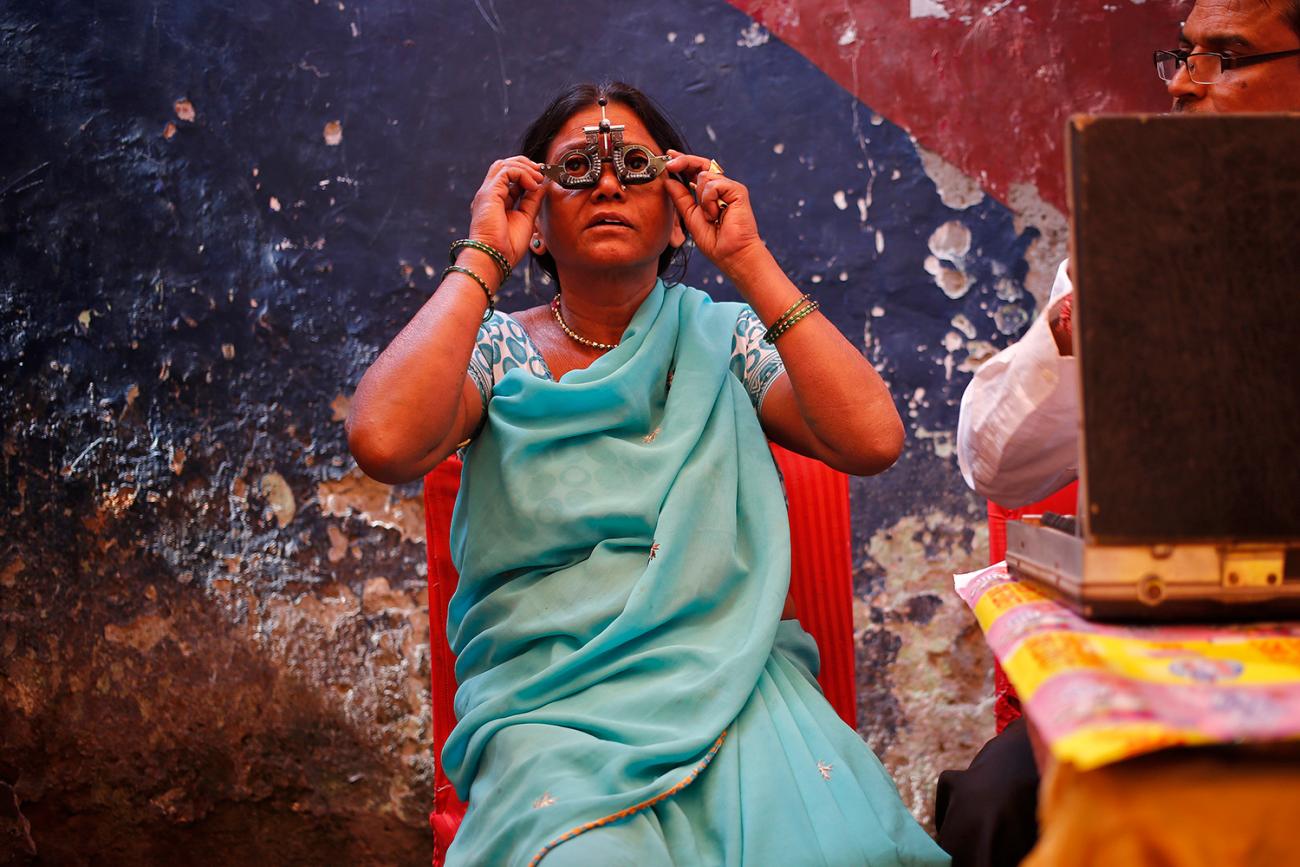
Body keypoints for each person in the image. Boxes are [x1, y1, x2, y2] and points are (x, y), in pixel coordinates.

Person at [347, 81, 949, 866]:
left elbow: (872, 439)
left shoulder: (724, 337)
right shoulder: (495, 350)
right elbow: (385, 441)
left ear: (676, 211)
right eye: (575, 170)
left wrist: (747, 258)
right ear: (535, 220)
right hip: (552, 707)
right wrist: (481, 255)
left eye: (635, 165)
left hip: (734, 684)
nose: (606, 183)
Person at [940, 3, 1300, 864]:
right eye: (1181, 55)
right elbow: (994, 463)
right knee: (992, 804)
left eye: (1226, 56)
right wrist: (1072, 341)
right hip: (1186, 648)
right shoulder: (1139, 216)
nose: (1182, 83)